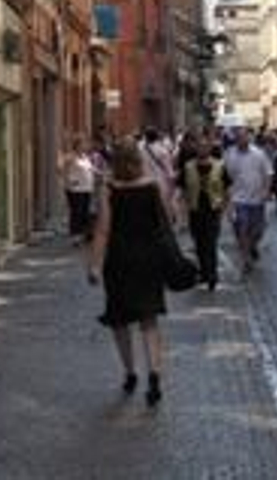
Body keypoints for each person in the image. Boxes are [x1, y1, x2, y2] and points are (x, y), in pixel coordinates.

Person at [87, 137, 170, 406]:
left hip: (119, 261)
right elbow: (165, 220)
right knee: (149, 319)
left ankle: (130, 372)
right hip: (149, 259)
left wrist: (95, 265)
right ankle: (154, 373)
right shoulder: (152, 186)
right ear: (138, 159)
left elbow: (103, 229)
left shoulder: (109, 189)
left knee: (120, 319)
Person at [223, 126, 272, 277]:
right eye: (239, 138)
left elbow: (268, 173)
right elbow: (227, 178)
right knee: (242, 228)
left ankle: (251, 246)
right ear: (236, 140)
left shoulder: (259, 154)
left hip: (257, 198)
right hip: (239, 199)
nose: (242, 140)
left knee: (258, 230)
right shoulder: (230, 156)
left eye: (244, 137)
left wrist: (266, 190)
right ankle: (246, 260)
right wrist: (228, 200)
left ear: (248, 138)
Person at [182, 135, 227, 291]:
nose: (202, 149)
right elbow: (183, 189)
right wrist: (182, 210)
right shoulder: (188, 166)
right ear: (196, 149)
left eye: (205, 146)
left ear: (209, 148)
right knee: (199, 243)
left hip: (213, 209)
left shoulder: (219, 166)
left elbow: (227, 187)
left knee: (211, 243)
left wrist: (225, 207)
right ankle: (204, 271)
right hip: (195, 210)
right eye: (199, 146)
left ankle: (212, 275)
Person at [61, 134, 97, 242]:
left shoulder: (85, 157)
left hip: (87, 188)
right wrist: (69, 181)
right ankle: (75, 235)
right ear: (77, 145)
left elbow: (91, 169)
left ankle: (83, 233)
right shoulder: (71, 157)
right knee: (77, 212)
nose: (85, 146)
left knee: (85, 212)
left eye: (85, 144)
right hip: (75, 189)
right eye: (82, 144)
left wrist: (100, 173)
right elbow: (61, 169)